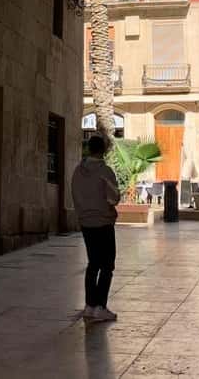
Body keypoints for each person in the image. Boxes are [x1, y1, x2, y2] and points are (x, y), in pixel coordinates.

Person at [71, 135, 120, 323]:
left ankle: (89, 306)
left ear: (89, 149)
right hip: (103, 222)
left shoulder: (77, 171)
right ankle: (100, 306)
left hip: (86, 222)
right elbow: (113, 198)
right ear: (103, 150)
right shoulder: (105, 171)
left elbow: (75, 194)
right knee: (107, 265)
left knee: (93, 264)